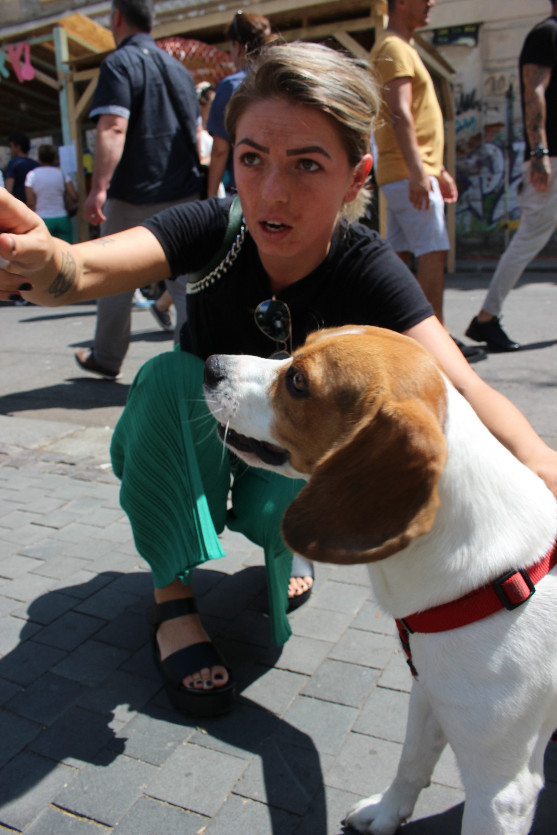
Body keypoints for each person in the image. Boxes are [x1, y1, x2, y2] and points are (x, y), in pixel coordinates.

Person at [1, 43, 556, 720]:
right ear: (230, 157)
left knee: (297, 506)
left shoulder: (366, 266)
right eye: (252, 157)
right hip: (199, 445)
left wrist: (540, 463)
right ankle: (173, 599)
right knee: (168, 379)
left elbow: (459, 385)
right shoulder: (216, 225)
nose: (271, 192)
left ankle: (289, 545)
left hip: (285, 466)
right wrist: (37, 256)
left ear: (356, 179)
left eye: (307, 165)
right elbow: (82, 269)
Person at [76, 0, 203, 381]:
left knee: (112, 277)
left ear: (117, 18)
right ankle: (193, 357)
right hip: (182, 189)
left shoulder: (119, 63)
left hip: (134, 191)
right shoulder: (179, 69)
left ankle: (108, 356)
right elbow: (195, 132)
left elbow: (114, 126)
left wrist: (98, 188)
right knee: (184, 285)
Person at [466, 0, 557, 352]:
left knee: (530, 238)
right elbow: (534, 91)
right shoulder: (547, 33)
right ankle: (486, 318)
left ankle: (487, 317)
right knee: (529, 239)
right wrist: (539, 153)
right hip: (549, 157)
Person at [370, 0, 457, 325]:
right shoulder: (393, 46)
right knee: (433, 252)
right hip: (408, 173)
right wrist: (421, 173)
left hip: (408, 172)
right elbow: (400, 113)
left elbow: (414, 118)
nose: (431, 2)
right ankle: (436, 341)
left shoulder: (401, 46)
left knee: (398, 257)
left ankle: (393, 331)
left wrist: (437, 170)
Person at [206, 10, 273, 198]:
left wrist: (210, 199)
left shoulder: (231, 86)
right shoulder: (279, 79)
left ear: (237, 46)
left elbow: (220, 150)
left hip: (244, 193)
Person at [24, 144, 78, 244]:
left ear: (39, 158)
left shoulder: (31, 176)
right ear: (54, 159)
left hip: (42, 219)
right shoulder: (62, 174)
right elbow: (74, 196)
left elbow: (30, 202)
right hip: (62, 218)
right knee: (67, 252)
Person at [4, 133, 39, 205]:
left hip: (19, 206)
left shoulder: (13, 163)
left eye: (11, 147)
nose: (10, 150)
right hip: (36, 206)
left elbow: (8, 188)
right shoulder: (36, 164)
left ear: (18, 147)